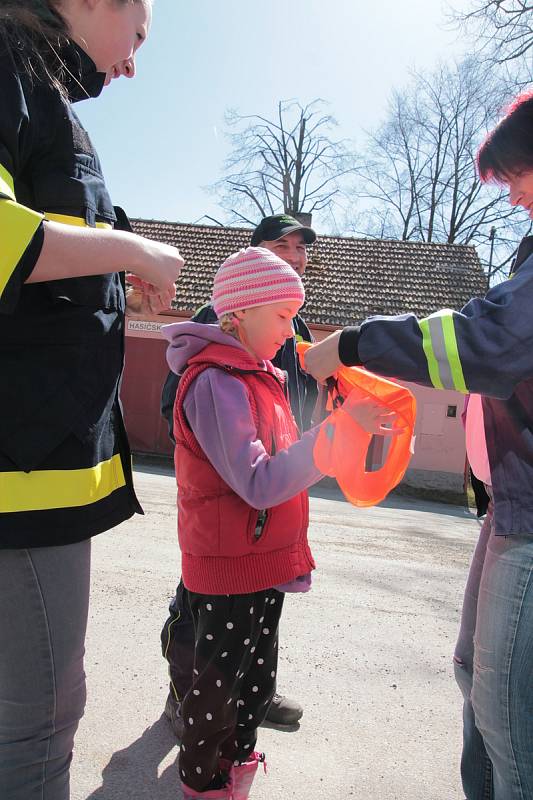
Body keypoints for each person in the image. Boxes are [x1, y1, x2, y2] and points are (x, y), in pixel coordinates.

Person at [302, 90, 533, 800]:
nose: (512, 198)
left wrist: (357, 340)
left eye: (516, 178)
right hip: (510, 507)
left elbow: (489, 344)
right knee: (477, 676)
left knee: (506, 719)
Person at [0, 2, 183, 798]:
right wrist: (132, 248)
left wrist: (116, 282)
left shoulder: (41, 96)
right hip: (21, 480)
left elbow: (41, 258)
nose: (134, 64)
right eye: (136, 34)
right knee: (38, 724)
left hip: (41, 472)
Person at [161, 246, 400, 799]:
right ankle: (206, 784)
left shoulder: (260, 376)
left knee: (252, 686)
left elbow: (294, 456)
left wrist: (337, 419)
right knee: (215, 696)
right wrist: (338, 433)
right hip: (227, 572)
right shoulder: (217, 382)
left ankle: (237, 770)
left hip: (263, 562)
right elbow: (260, 481)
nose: (293, 328)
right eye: (282, 315)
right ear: (238, 313)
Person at [160, 214, 319, 735]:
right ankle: (185, 697)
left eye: (301, 247)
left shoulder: (286, 321)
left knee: (250, 627)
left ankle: (252, 694)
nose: (295, 253)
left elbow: (294, 397)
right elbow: (179, 405)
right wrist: (212, 467)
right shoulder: (224, 321)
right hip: (226, 510)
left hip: (268, 504)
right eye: (282, 244)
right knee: (201, 616)